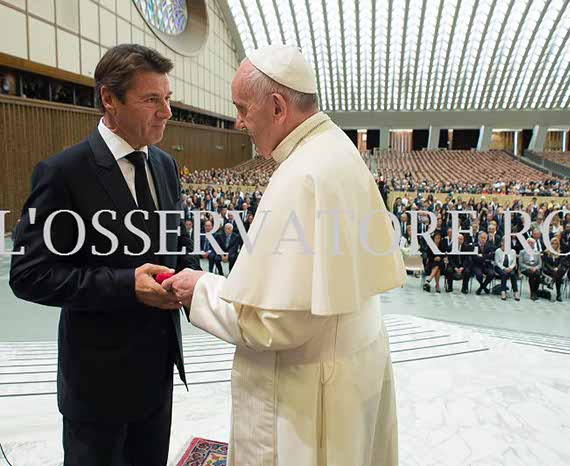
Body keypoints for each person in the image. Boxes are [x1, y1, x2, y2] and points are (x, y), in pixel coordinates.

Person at [163, 45, 404, 466]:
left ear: (277, 107)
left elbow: (274, 324)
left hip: (307, 392)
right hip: (353, 362)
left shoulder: (301, 176)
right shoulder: (336, 147)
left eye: (242, 108)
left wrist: (199, 289)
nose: (238, 123)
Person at [9, 44, 200, 465]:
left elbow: (176, 244)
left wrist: (196, 281)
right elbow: (27, 273)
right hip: (97, 388)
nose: (166, 112)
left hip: (157, 375)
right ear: (109, 99)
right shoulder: (62, 173)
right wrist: (125, 285)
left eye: (167, 99)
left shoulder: (165, 166)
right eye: (151, 100)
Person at [543, 236, 567, 302]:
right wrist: (552, 268)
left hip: (557, 270)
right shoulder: (546, 252)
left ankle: (552, 282)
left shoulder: (560, 252)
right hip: (548, 270)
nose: (554, 245)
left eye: (556, 244)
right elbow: (545, 263)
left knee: (559, 271)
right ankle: (559, 294)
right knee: (558, 276)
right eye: (552, 243)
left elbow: (561, 263)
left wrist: (557, 268)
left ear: (558, 245)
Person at [472, 231, 495, 295]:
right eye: (482, 238)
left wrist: (481, 256)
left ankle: (481, 287)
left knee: (491, 273)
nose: (483, 239)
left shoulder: (489, 246)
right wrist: (485, 256)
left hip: (487, 265)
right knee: (479, 275)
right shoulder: (474, 245)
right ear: (479, 238)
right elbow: (474, 257)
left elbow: (491, 256)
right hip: (477, 265)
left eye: (485, 238)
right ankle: (484, 287)